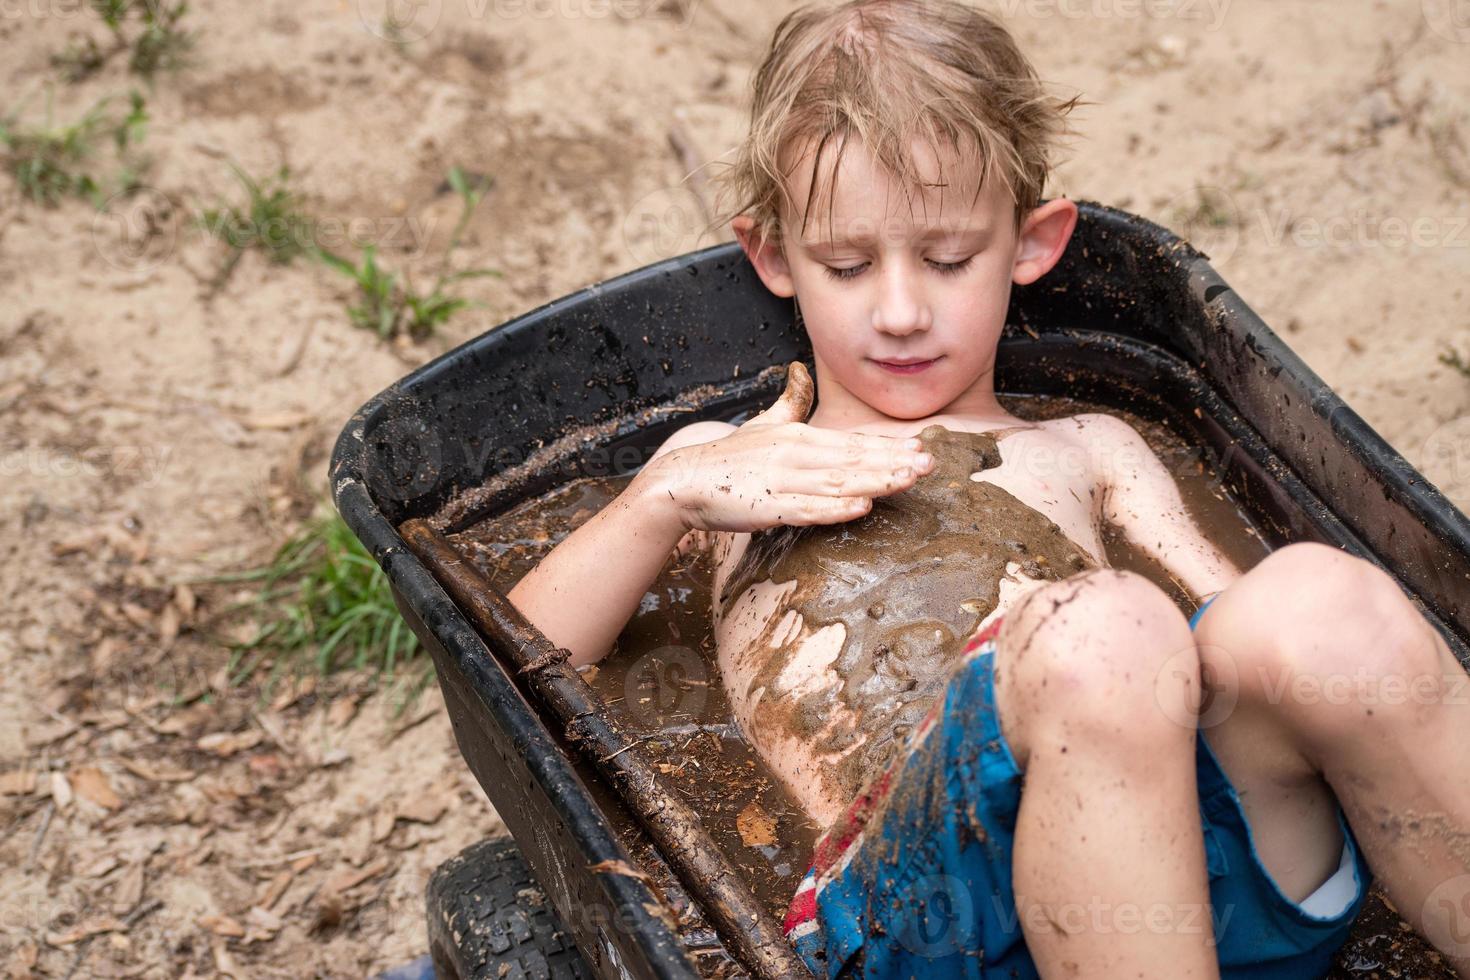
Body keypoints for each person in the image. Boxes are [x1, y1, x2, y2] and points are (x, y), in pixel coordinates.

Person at [506, 1, 1470, 976]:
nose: (899, 311)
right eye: (845, 265)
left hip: (1176, 874)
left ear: (1033, 242)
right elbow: (519, 672)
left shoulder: (1088, 442)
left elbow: (1234, 628)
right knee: (1102, 630)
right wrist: (660, 498)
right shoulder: (735, 459)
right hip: (926, 909)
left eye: (949, 258)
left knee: (1324, 600)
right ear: (772, 258)